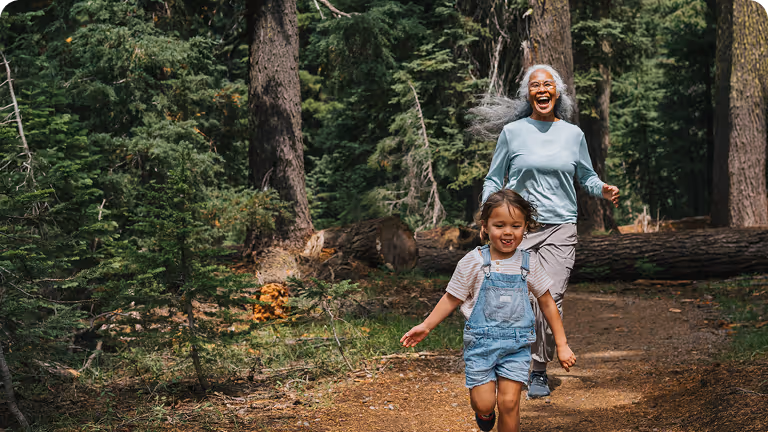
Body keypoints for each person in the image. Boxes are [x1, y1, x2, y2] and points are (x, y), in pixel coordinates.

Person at [470, 64, 620, 398]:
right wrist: (487, 214)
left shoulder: (573, 135)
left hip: (561, 228)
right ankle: (508, 362)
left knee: (549, 298)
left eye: (548, 84)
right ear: (528, 94)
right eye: (535, 85)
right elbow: (494, 179)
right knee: (513, 297)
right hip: (518, 228)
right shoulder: (513, 133)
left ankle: (538, 370)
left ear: (558, 92)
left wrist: (603, 190)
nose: (542, 90)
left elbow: (586, 177)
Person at [400, 189, 576, 432]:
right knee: (483, 403)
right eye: (499, 225)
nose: (508, 232)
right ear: (485, 226)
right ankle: (484, 415)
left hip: (516, 346)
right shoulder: (473, 261)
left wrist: (562, 344)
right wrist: (426, 326)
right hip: (481, 347)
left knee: (510, 402)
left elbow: (547, 302)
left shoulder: (529, 262)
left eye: (516, 225)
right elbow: (452, 298)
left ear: (525, 227)